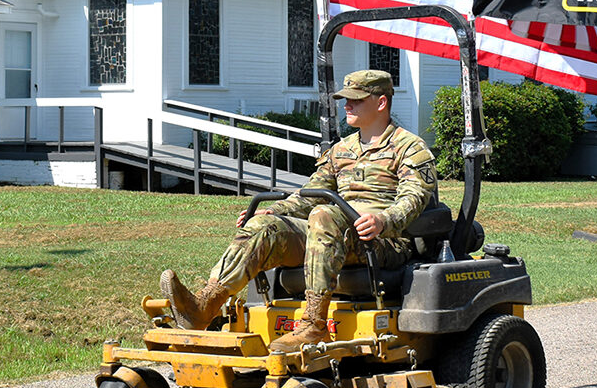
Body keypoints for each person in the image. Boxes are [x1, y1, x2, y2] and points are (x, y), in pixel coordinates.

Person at [160, 69, 438, 352]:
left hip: (381, 241)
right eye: (346, 100)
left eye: (356, 100)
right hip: (331, 232)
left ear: (381, 103)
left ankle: (314, 325)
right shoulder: (341, 150)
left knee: (324, 215)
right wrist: (275, 211)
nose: (347, 105)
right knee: (264, 227)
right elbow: (309, 194)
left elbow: (414, 198)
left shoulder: (410, 148)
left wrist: (383, 220)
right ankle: (204, 306)